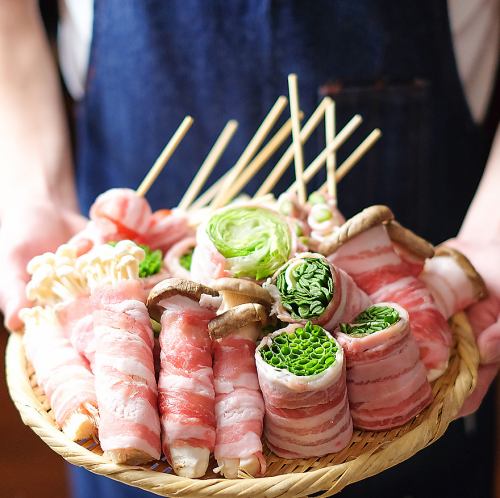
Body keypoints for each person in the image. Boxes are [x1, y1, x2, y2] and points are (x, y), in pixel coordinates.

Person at [0, 1, 498, 497]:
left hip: (432, 204)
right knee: (130, 436)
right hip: (131, 131)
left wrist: (493, 237)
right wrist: (32, 190)